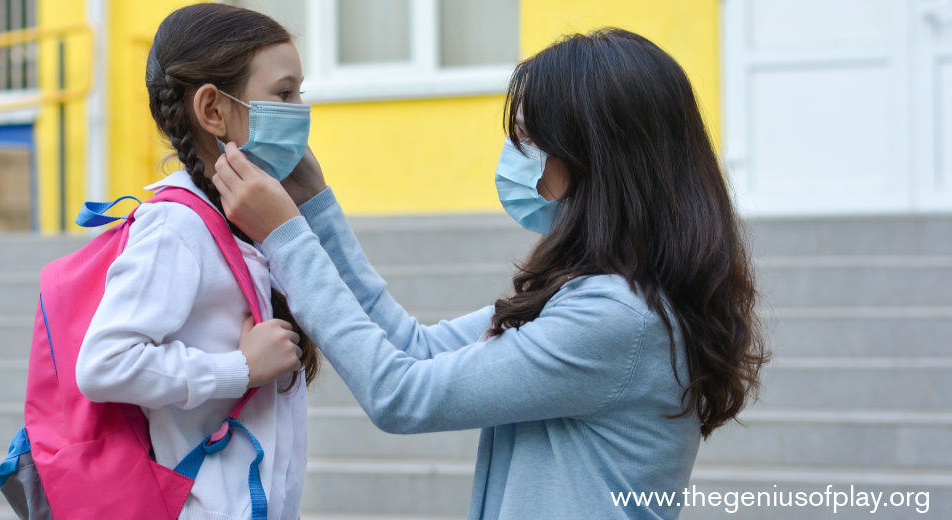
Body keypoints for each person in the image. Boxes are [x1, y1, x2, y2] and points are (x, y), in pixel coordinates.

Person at [210, 28, 769, 519]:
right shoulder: (594, 293)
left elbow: (402, 394)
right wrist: (315, 207)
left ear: (591, 153)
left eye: (527, 136)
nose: (514, 153)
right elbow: (415, 348)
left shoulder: (616, 317)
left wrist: (285, 236)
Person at [74, 4, 318, 520]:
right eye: (284, 93)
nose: (301, 108)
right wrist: (240, 368)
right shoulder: (176, 228)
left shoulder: (238, 219)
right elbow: (104, 364)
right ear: (212, 110)